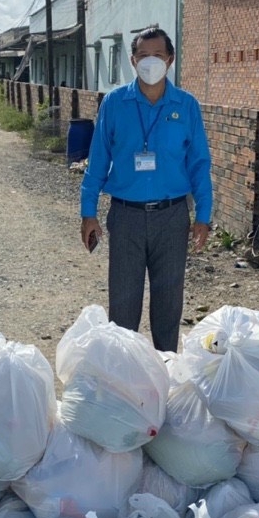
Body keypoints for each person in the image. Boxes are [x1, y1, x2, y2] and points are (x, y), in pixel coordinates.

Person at [79, 27, 212, 352]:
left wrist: (203, 216)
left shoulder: (186, 106)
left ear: (170, 60)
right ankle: (123, 374)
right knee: (123, 304)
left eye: (158, 55)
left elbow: (199, 164)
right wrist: (88, 212)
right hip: (126, 218)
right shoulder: (114, 103)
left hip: (172, 217)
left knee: (169, 303)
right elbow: (97, 161)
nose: (150, 61)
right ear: (132, 60)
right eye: (143, 56)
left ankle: (165, 370)